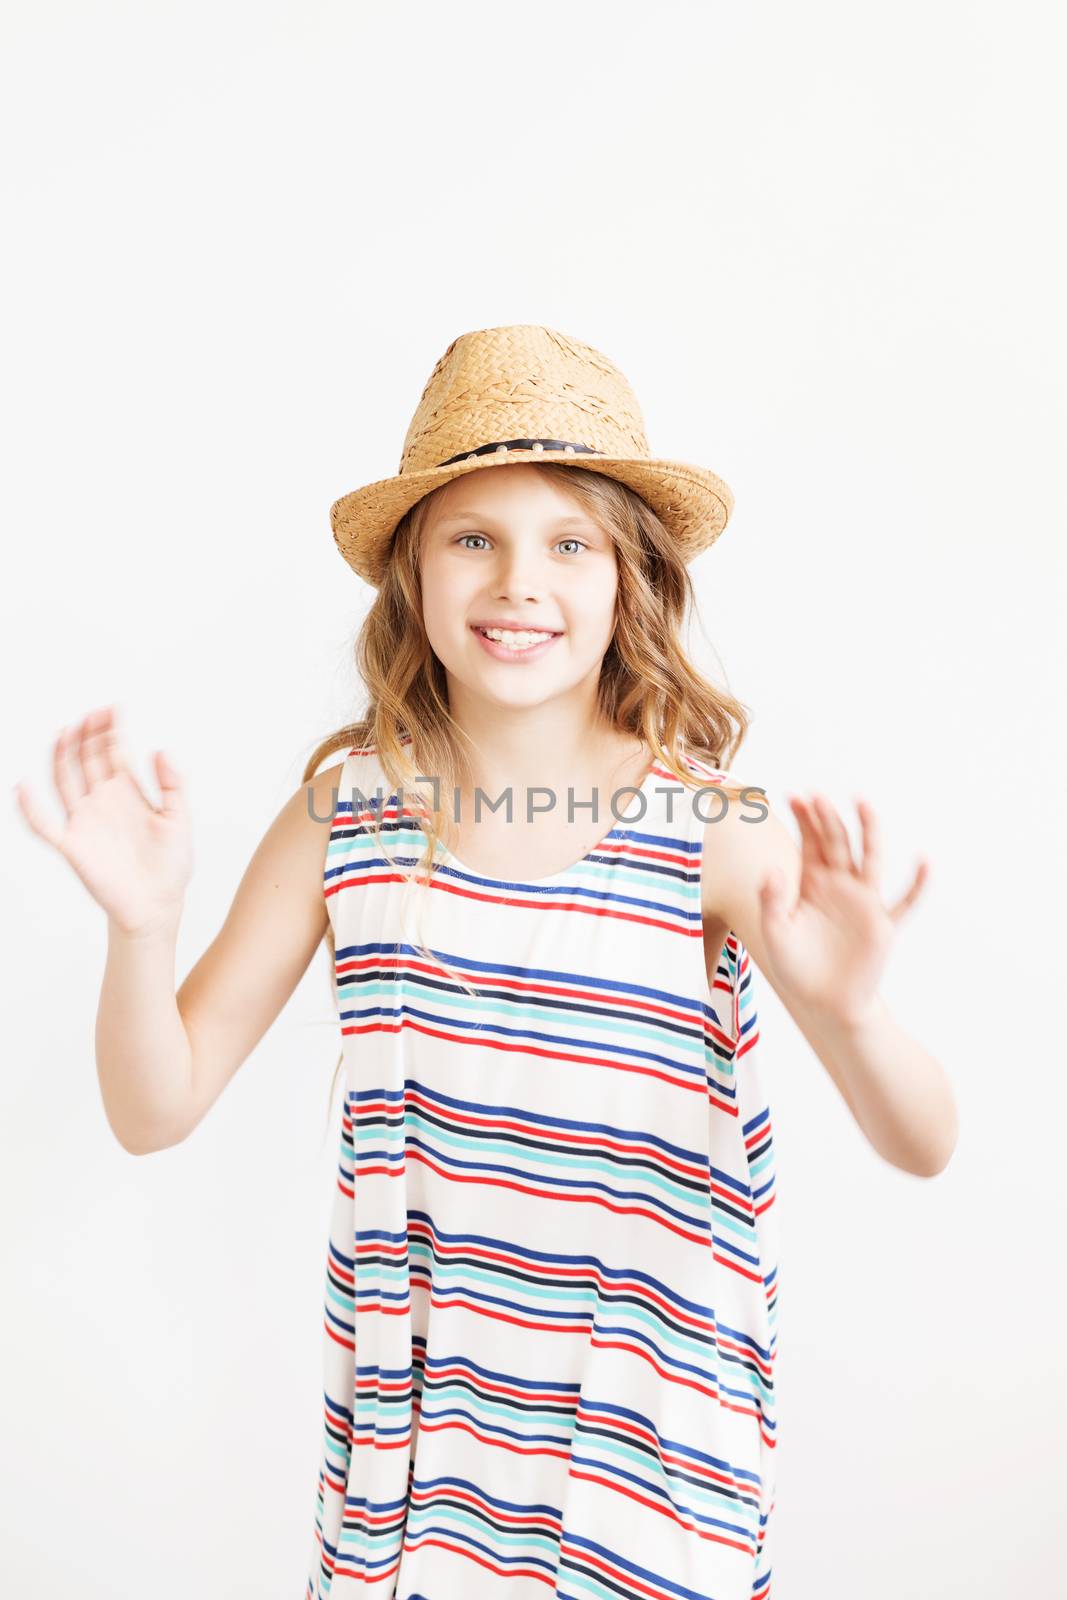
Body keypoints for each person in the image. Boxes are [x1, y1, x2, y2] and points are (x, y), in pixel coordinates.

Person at [13, 323, 958, 1599]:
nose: (520, 582)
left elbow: (923, 1140)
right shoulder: (336, 819)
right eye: (474, 538)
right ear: (411, 574)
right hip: (412, 1487)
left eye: (568, 543)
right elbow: (153, 1106)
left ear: (630, 581)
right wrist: (141, 926)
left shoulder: (717, 835)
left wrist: (850, 1017)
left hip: (651, 1475)